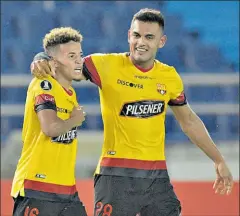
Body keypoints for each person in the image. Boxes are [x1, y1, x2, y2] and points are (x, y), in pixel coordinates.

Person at [31, 9, 234, 216]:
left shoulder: (169, 76)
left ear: (161, 41)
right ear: (129, 35)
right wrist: (41, 57)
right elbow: (65, 63)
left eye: (149, 37)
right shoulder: (105, 65)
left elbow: (189, 121)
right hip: (115, 177)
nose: (141, 42)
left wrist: (218, 160)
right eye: (136, 35)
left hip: (157, 179)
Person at [11, 27, 88, 216]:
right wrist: (74, 120)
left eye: (80, 54)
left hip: (67, 190)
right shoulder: (43, 84)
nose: (79, 60)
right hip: (36, 186)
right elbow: (50, 128)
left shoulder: (70, 93)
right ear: (53, 63)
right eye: (71, 56)